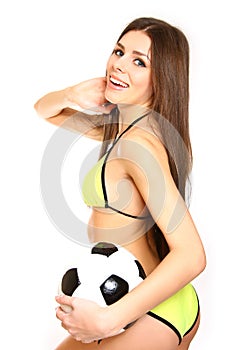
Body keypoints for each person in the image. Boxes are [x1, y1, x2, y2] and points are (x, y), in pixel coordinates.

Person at [34, 17, 206, 350]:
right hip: (133, 295)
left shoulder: (139, 147)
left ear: (162, 79)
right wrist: (73, 93)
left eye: (139, 61)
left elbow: (192, 255)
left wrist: (108, 320)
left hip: (155, 307)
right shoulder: (120, 129)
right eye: (119, 51)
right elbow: (43, 109)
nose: (119, 65)